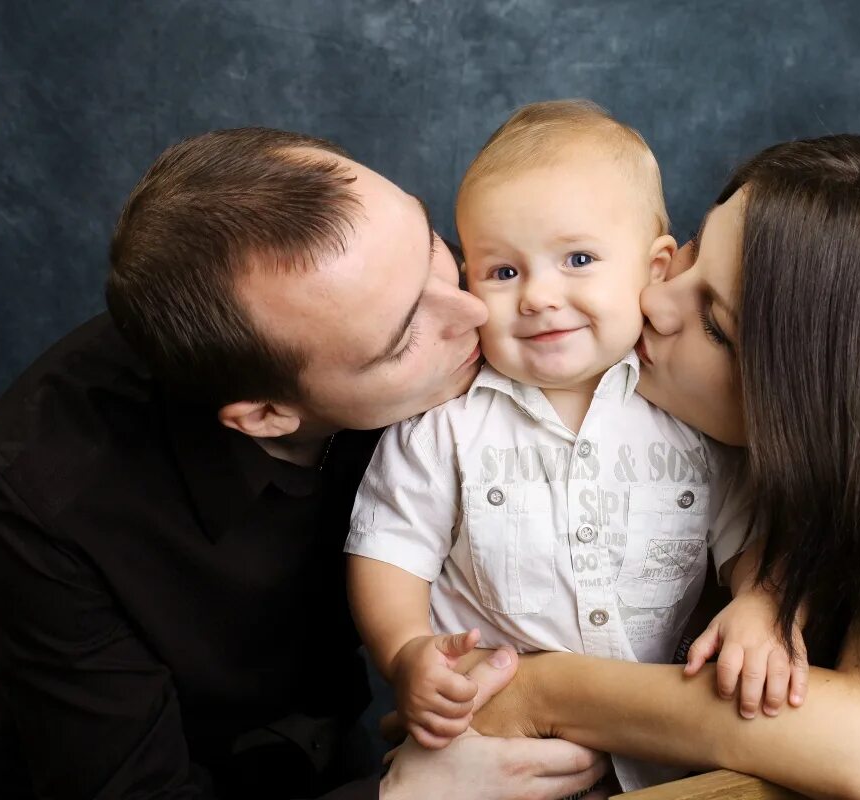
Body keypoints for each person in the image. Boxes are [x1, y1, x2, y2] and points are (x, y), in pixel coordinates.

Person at [0, 127, 607, 800]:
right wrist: (410, 798)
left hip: (357, 749)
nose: (475, 310)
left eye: (428, 248)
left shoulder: (395, 290)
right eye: (403, 335)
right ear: (267, 417)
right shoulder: (48, 485)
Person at [467, 134, 860, 800]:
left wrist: (541, 689)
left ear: (821, 407)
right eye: (693, 253)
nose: (655, 301)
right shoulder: (543, 373)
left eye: (718, 328)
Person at [343, 100, 802, 793]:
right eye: (503, 272)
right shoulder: (442, 423)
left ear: (654, 267)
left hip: (656, 753)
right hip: (483, 743)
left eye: (578, 259)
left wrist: (760, 606)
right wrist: (407, 652)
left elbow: (748, 537)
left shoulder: (688, 414)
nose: (537, 297)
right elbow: (388, 550)